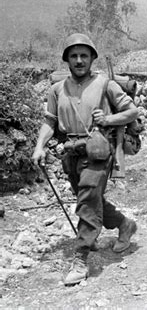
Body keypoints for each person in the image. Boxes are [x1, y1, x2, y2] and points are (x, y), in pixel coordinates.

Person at [31, 33, 139, 286]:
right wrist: (39, 147)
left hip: (98, 151)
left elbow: (132, 110)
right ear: (67, 60)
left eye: (84, 56)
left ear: (92, 59)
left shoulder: (105, 85)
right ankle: (124, 224)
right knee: (92, 199)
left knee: (88, 202)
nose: (79, 60)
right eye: (74, 56)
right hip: (71, 153)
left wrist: (108, 120)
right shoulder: (57, 89)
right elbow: (49, 121)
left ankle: (81, 258)